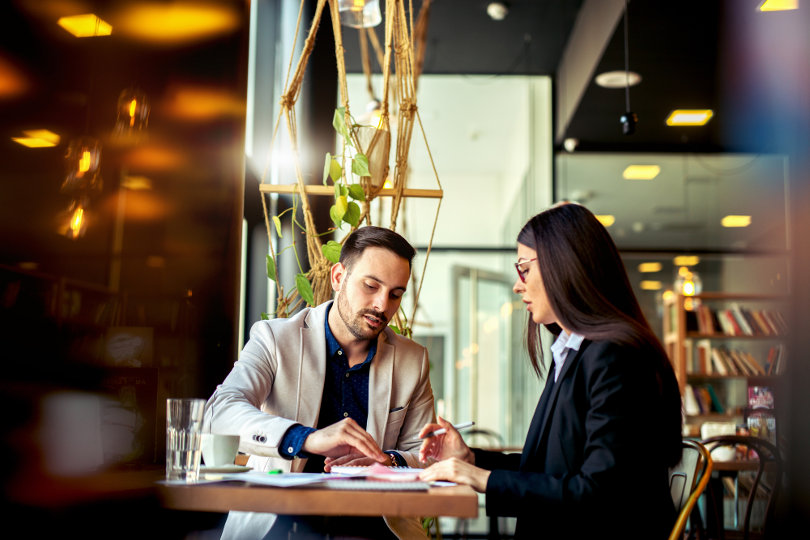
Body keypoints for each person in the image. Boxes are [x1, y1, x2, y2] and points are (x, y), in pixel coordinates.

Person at [417, 203, 683, 539]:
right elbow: (549, 472)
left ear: (564, 265)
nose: (517, 285)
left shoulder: (615, 357)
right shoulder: (576, 352)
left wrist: (482, 480)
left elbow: (598, 493)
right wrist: (470, 459)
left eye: (524, 269)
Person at [205, 226, 435, 540]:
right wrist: (306, 439)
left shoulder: (413, 360)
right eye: (371, 286)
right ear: (338, 277)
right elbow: (220, 413)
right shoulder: (274, 338)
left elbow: (425, 455)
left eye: (395, 294)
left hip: (374, 528)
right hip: (279, 525)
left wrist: (389, 460)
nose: (383, 305)